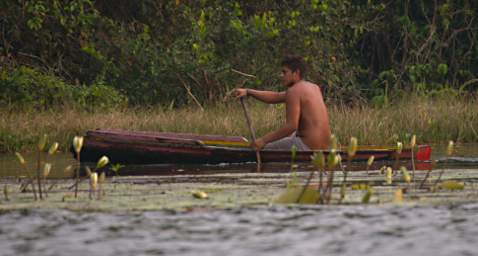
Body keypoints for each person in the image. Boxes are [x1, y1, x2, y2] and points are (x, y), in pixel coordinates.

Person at [234, 55, 331, 151]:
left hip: (308, 146)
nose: (281, 76)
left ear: (296, 72)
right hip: (324, 146)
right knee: (290, 136)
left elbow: (291, 126)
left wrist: (263, 141)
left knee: (262, 148)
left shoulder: (294, 91)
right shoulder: (314, 87)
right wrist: (248, 92)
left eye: (284, 72)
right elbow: (276, 96)